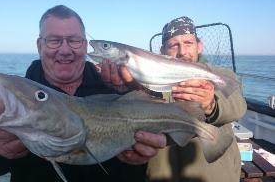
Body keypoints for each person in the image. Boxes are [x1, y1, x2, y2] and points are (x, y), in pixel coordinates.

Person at [0, 5, 166, 182]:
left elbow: (161, 131)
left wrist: (144, 152)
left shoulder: (116, 88)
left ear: (85, 46)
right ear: (39, 45)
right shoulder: (17, 96)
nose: (65, 50)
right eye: (54, 41)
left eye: (74, 40)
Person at [101, 16, 247, 182]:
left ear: (199, 46)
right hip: (163, 174)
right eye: (174, 45)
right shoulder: (150, 79)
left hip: (214, 175)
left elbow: (238, 105)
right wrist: (128, 88)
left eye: (188, 43)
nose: (182, 51)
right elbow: (139, 108)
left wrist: (212, 104)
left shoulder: (220, 74)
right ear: (162, 50)